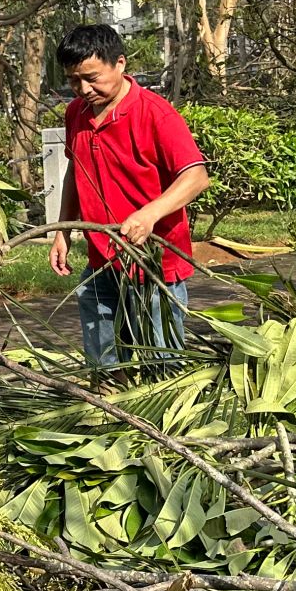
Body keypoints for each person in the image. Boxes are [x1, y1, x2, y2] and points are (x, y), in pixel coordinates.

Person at [47, 23, 211, 371]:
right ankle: (108, 406)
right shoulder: (76, 113)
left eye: (92, 77)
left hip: (154, 264)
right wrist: (61, 231)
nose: (83, 89)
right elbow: (75, 174)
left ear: (119, 63)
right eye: (74, 80)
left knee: (162, 362)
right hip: (100, 259)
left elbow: (196, 177)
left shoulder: (155, 114)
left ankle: (164, 416)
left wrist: (150, 214)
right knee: (103, 360)